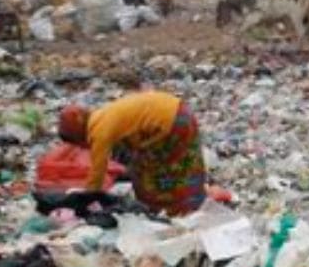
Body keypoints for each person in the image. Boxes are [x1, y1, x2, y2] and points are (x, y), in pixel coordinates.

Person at [57, 91, 206, 217]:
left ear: (78, 135)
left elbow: (97, 173)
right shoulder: (100, 117)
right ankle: (190, 205)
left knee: (158, 171)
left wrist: (85, 200)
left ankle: (174, 211)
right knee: (184, 163)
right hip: (179, 110)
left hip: (171, 124)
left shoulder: (99, 133)